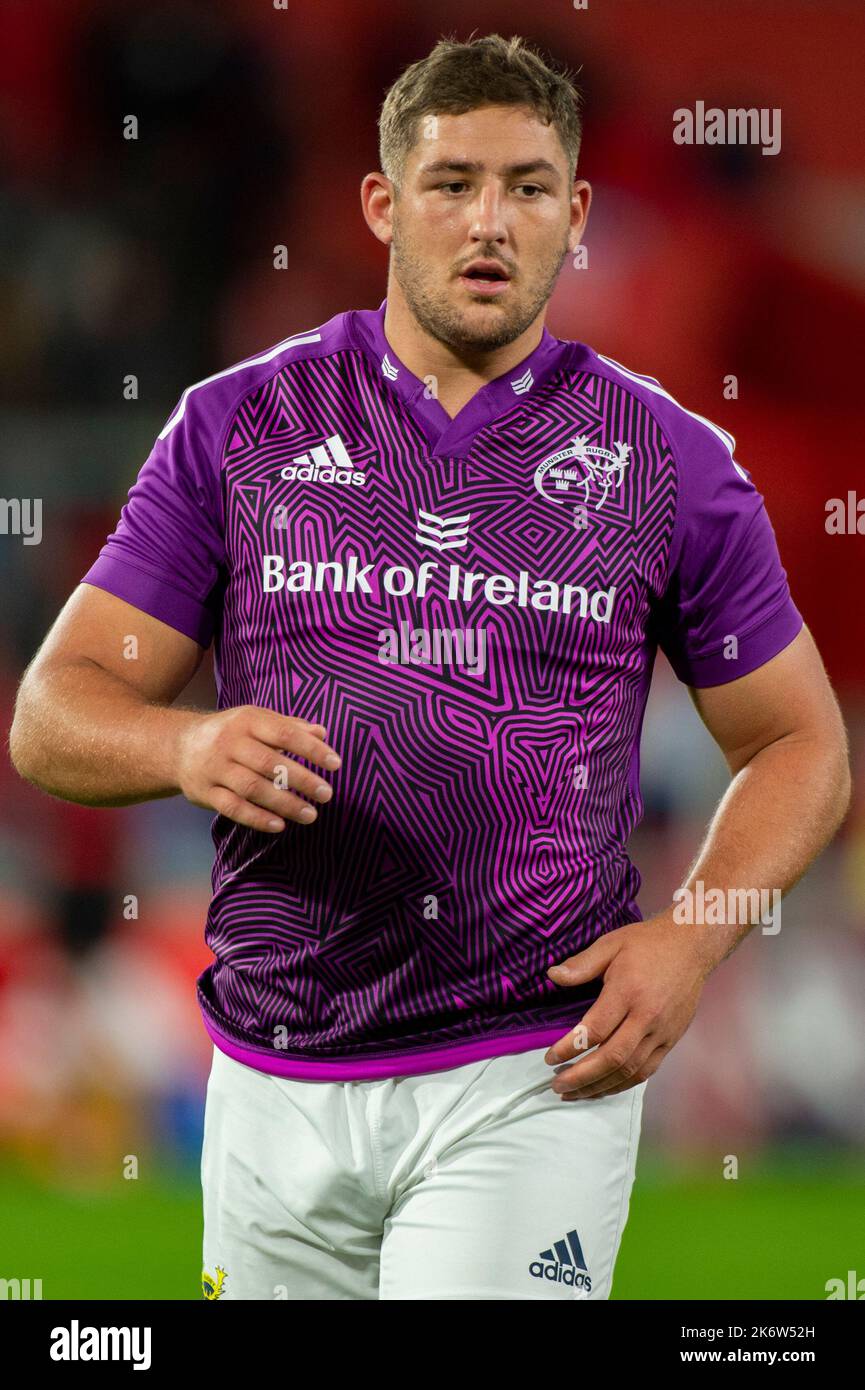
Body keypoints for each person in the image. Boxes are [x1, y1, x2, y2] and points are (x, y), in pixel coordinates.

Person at [10, 33, 850, 1301]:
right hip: (271, 1074)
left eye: (527, 186)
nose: (489, 220)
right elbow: (52, 715)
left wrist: (690, 937)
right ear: (382, 204)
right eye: (452, 181)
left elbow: (800, 743)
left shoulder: (668, 461)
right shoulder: (240, 425)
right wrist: (183, 745)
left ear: (575, 214)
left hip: (527, 1069)